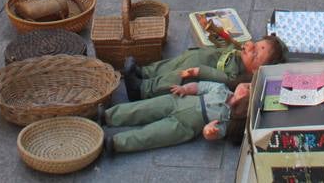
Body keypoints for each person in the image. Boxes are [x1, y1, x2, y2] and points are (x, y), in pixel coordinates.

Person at [103, 82, 250, 155]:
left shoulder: (228, 119)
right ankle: (109, 116)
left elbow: (216, 132)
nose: (245, 86)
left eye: (248, 90)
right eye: (249, 84)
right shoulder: (221, 89)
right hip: (178, 101)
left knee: (151, 135)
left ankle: (117, 143)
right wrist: (185, 89)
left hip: (183, 126)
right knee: (143, 108)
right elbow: (200, 86)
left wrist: (209, 131)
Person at [122, 36, 284, 99]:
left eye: (255, 55)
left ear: (256, 70)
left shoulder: (237, 74)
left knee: (173, 77)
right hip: (194, 57)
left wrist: (200, 71)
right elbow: (224, 47)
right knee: (169, 65)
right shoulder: (238, 54)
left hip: (196, 70)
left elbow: (223, 78)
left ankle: (143, 89)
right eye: (254, 45)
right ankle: (144, 72)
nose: (249, 48)